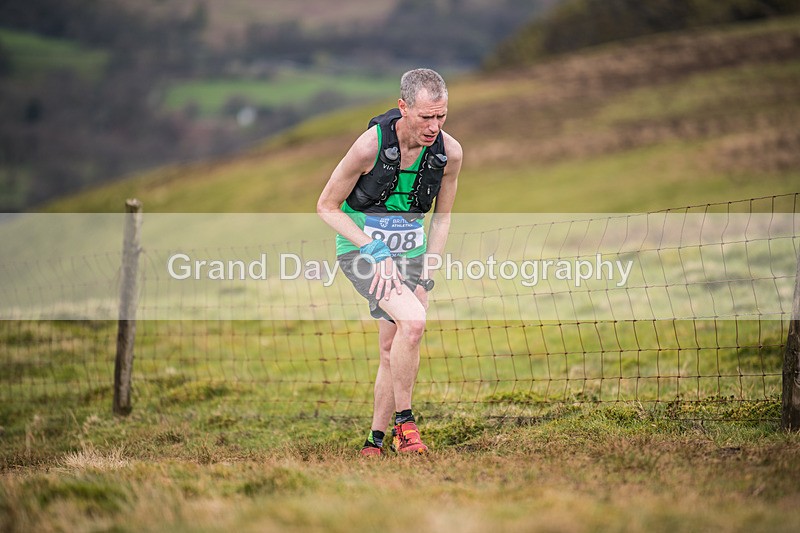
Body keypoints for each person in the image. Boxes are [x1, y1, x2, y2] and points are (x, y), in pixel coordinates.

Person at [317, 68, 463, 455]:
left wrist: (426, 275)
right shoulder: (369, 146)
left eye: (441, 116)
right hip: (362, 251)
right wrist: (374, 249)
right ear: (403, 108)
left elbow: (443, 217)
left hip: (412, 255)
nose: (434, 126)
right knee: (413, 324)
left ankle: (374, 440)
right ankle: (406, 424)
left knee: (392, 346)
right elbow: (326, 207)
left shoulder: (451, 153)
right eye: (425, 117)